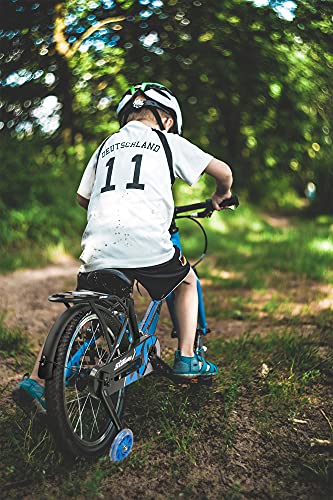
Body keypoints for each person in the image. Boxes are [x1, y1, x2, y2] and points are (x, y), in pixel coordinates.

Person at [13, 82, 233, 413]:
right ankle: (187, 357)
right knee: (186, 281)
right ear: (167, 119)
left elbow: (82, 197)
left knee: (92, 303)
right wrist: (220, 195)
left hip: (99, 244)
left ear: (126, 116)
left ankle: (35, 381)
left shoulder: (106, 146)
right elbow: (224, 172)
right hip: (147, 242)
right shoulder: (167, 141)